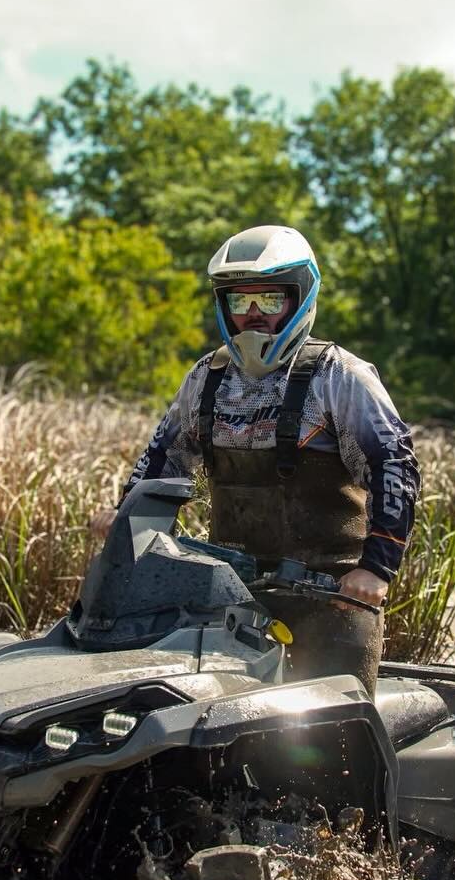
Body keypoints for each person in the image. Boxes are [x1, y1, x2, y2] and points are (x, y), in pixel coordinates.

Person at [91, 224, 420, 692]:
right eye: (239, 301)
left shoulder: (340, 375)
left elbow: (395, 465)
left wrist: (376, 569)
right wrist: (126, 516)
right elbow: (162, 458)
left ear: (299, 297)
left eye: (268, 300)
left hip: (333, 596)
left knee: (334, 744)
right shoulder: (207, 375)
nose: (252, 315)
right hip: (227, 594)